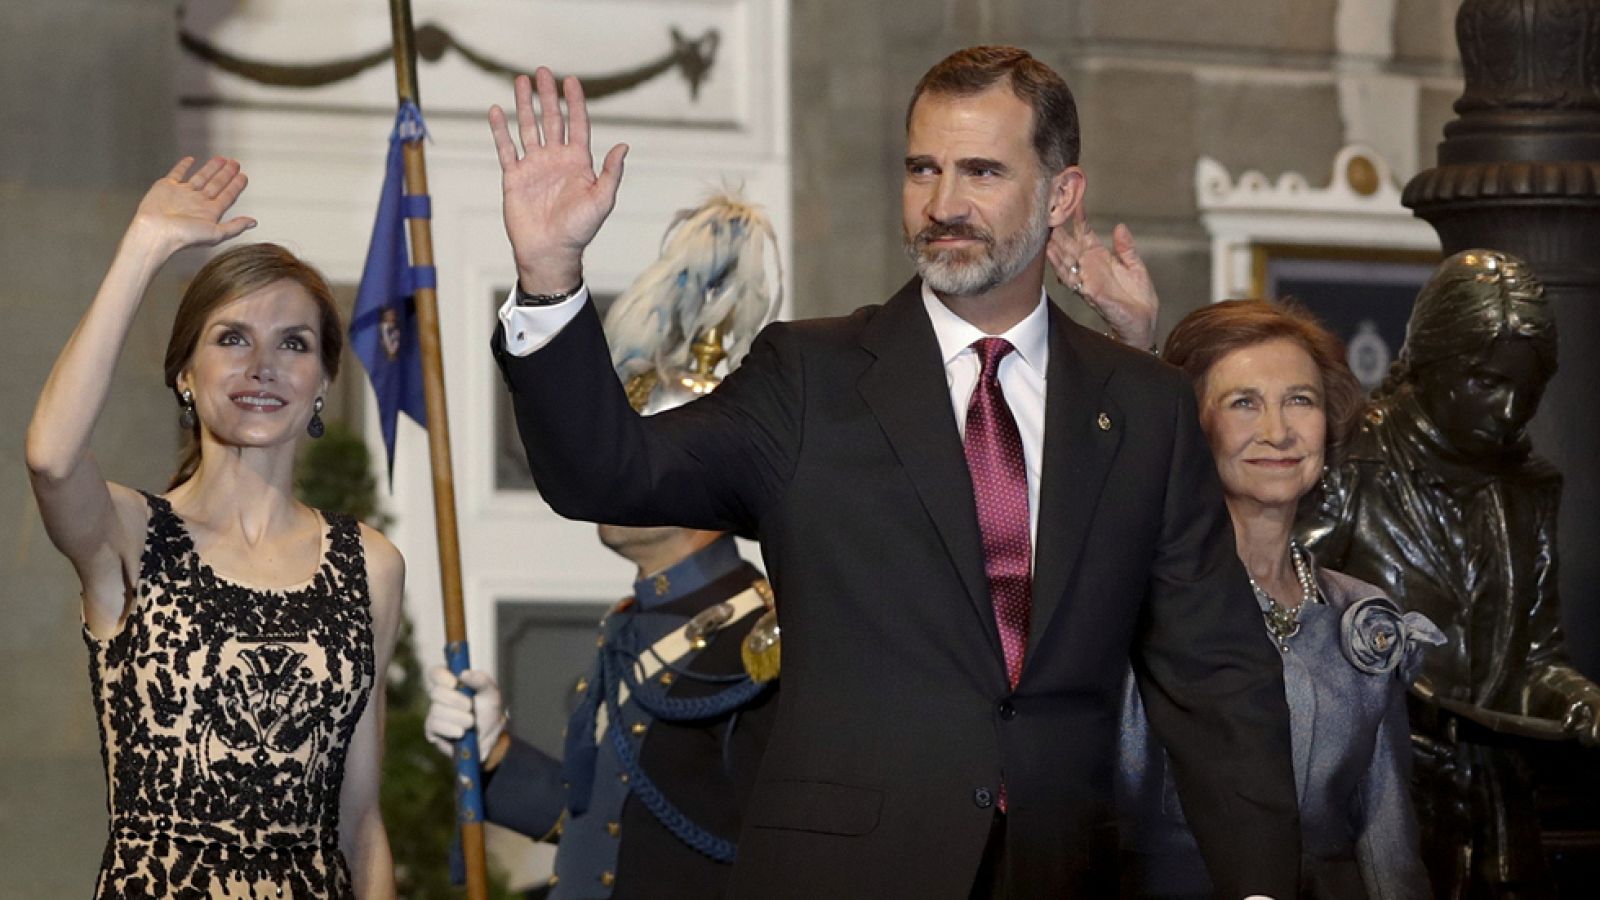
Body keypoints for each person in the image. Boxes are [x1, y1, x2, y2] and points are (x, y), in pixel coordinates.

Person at [486, 46, 1301, 897]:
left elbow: (1218, 678)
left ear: (1061, 195)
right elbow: (606, 476)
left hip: (1065, 873)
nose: (943, 204)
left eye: (982, 171)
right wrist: (550, 278)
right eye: (923, 169)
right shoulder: (809, 376)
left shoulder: (1146, 406)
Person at [24, 157, 403, 899]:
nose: (263, 365)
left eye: (294, 343)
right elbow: (50, 456)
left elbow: (359, 824)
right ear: (185, 375)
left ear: (323, 379)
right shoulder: (132, 535)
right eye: (232, 338)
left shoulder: (371, 564)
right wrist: (142, 247)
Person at [428, 193, 783, 895]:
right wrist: (496, 754)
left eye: (641, 457)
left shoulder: (764, 642)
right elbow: (602, 822)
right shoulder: (637, 622)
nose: (618, 478)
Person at [1111, 300, 1439, 899]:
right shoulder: (1132, 600)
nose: (1279, 432)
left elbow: (1388, 844)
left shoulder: (1362, 617)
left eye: (1300, 400)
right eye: (1244, 403)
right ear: (1190, 423)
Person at [1301, 249, 1600, 896]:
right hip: (1370, 793)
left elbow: (1535, 658)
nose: (1511, 409)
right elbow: (1285, 624)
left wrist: (1576, 699)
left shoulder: (1528, 487)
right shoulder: (1351, 462)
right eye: (1487, 382)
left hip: (1493, 804)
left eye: (1530, 387)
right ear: (1430, 364)